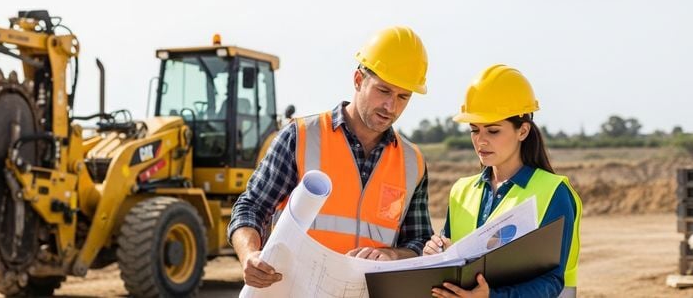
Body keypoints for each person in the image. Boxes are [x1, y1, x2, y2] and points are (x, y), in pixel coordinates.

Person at [228, 26, 433, 289]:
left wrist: (393, 255)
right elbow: (251, 207)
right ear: (358, 80)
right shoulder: (301, 137)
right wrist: (249, 255)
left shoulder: (412, 162)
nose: (391, 107)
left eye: (403, 96)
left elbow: (419, 241)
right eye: (383, 91)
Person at [422, 64, 582, 298]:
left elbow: (551, 281)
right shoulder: (461, 191)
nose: (481, 141)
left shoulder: (553, 192)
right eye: (474, 130)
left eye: (493, 131)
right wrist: (435, 254)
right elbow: (453, 262)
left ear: (523, 131)